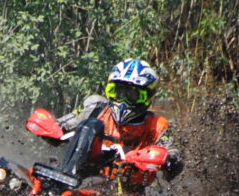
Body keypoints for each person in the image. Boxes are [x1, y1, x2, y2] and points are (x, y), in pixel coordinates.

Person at [52, 58, 183, 186]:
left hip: (128, 190)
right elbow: (61, 126)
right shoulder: (96, 107)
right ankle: (66, 177)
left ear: (147, 97)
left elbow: (174, 157)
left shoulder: (157, 125)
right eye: (119, 92)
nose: (123, 100)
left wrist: (166, 159)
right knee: (91, 125)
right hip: (82, 176)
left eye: (132, 95)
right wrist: (50, 129)